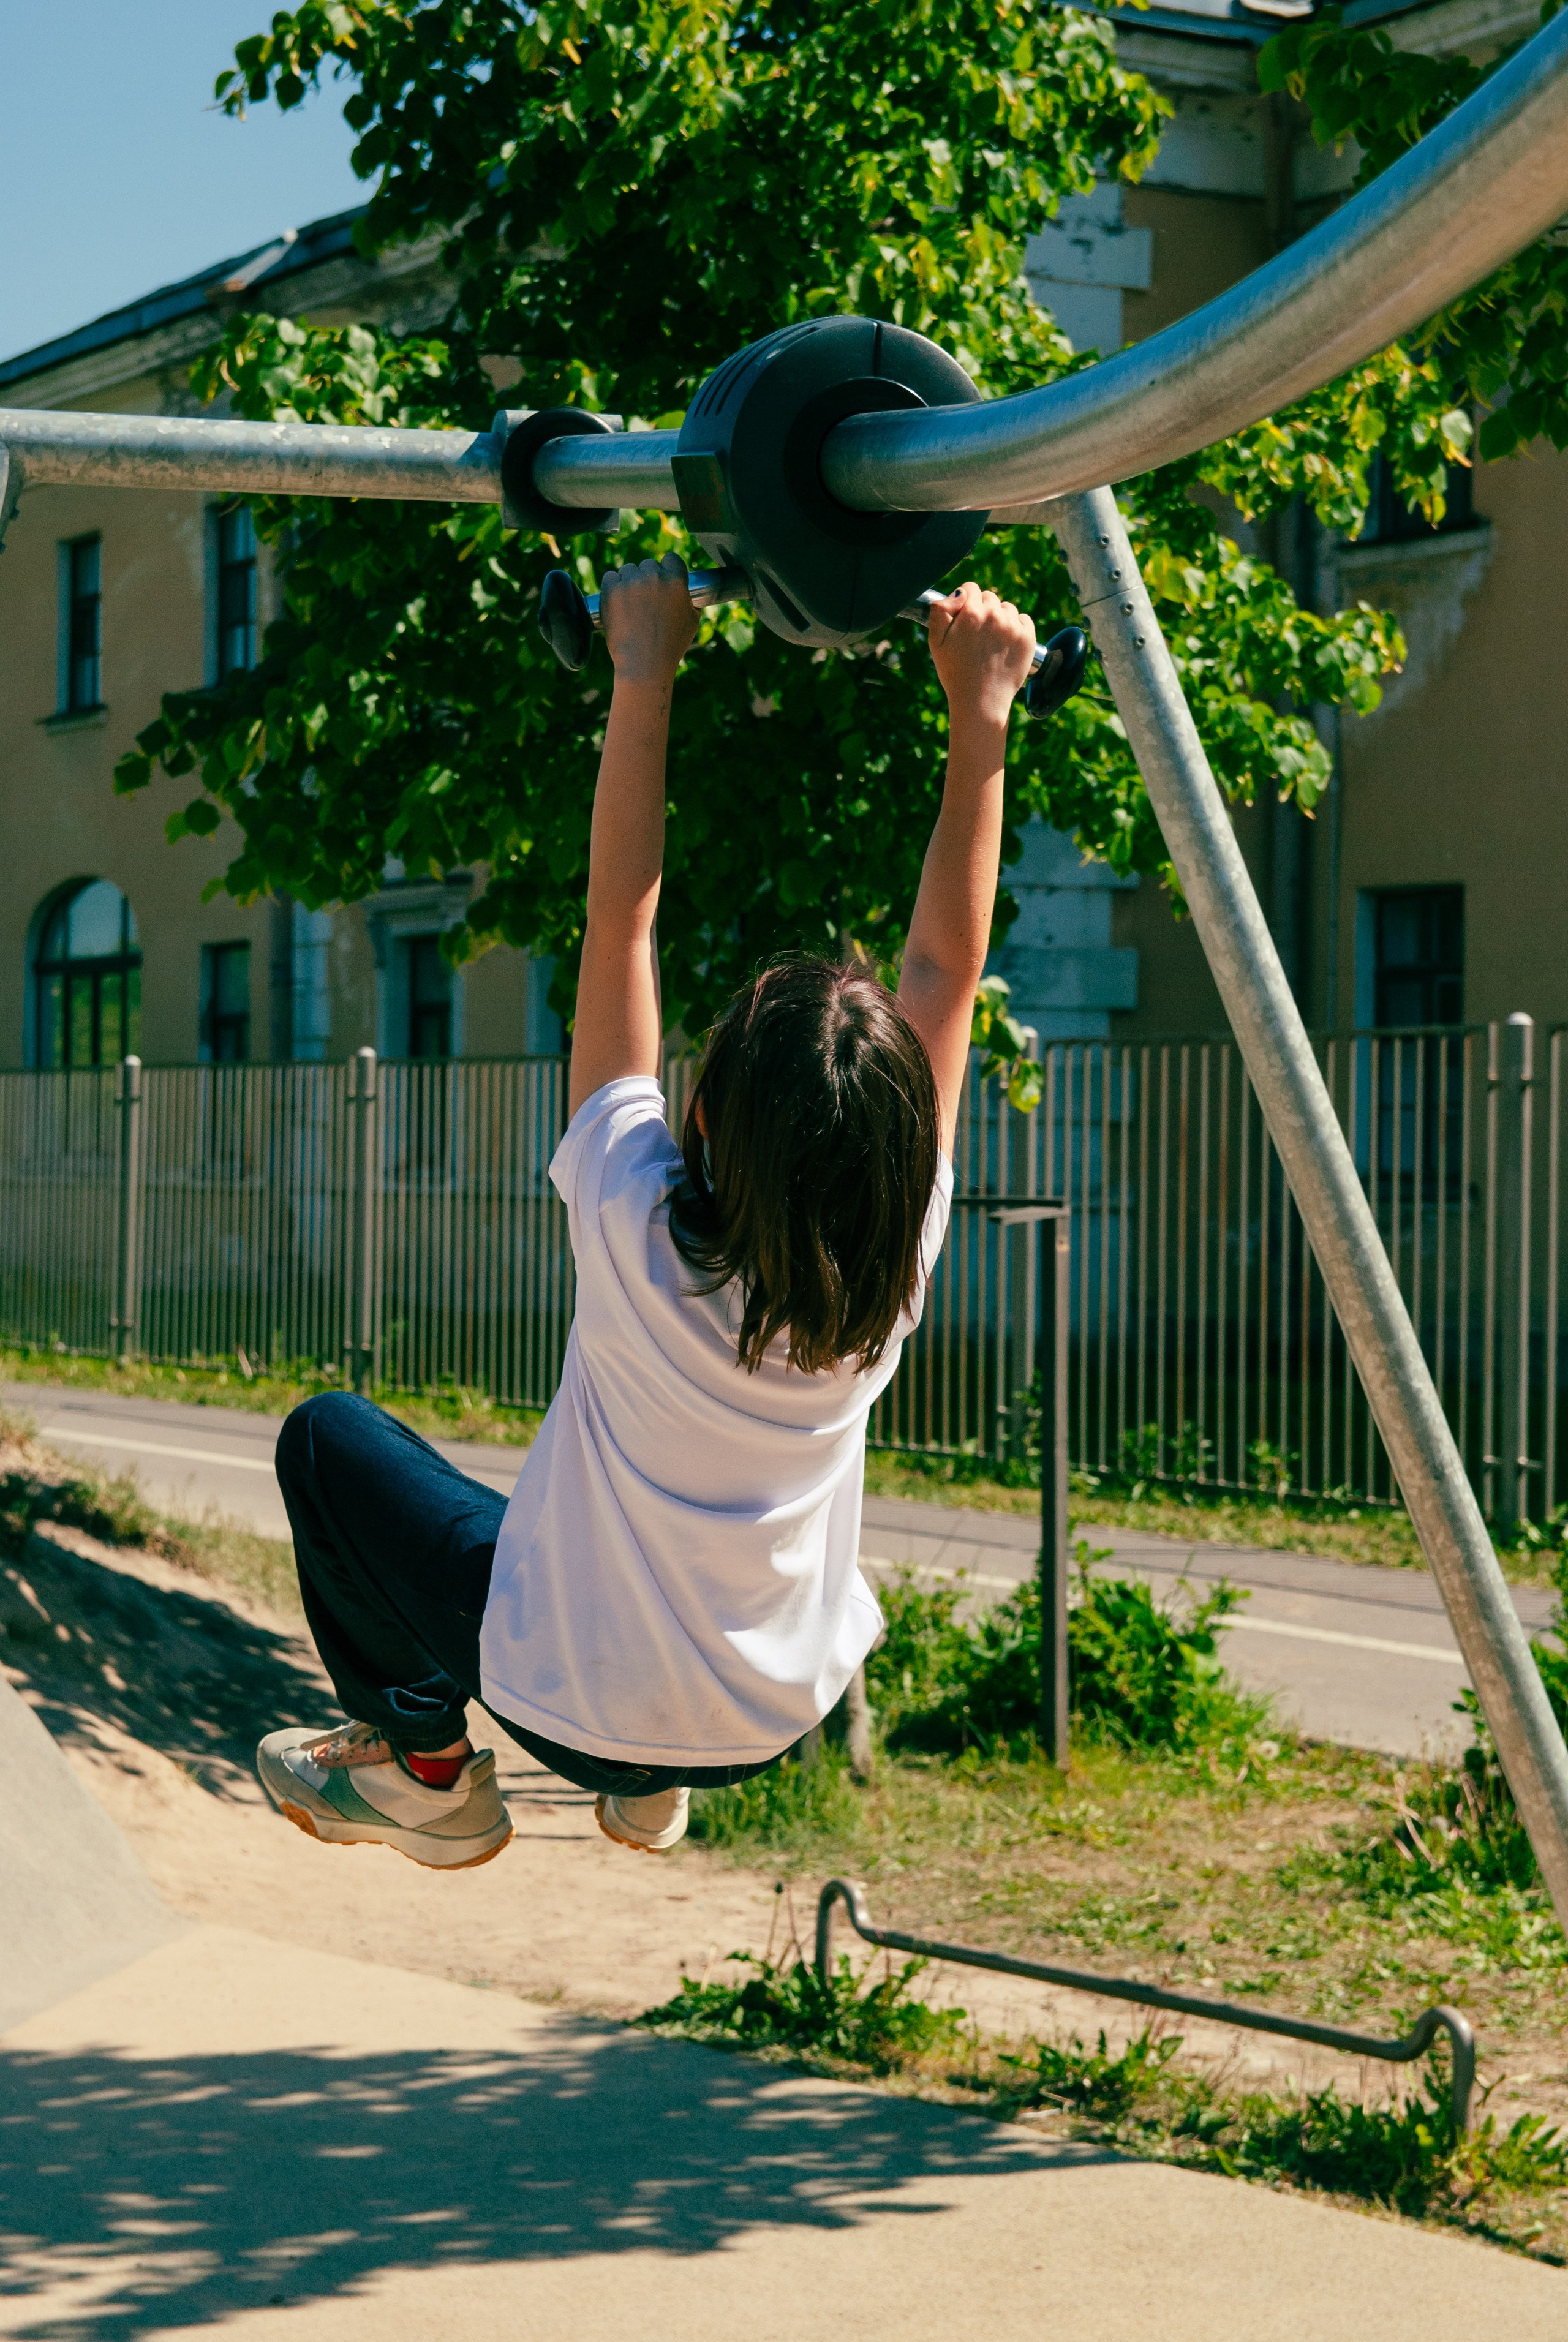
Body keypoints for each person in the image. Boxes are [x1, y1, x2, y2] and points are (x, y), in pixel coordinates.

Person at [256, 556, 1036, 1868]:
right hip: (764, 1718)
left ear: (708, 1121)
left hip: (573, 1704)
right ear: (902, 1143)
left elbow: (623, 921)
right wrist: (984, 715)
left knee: (327, 1444)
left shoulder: (638, 1212)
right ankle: (651, 1790)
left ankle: (428, 1770)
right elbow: (945, 966)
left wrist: (641, 665)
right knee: (561, 1546)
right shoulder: (887, 1264)